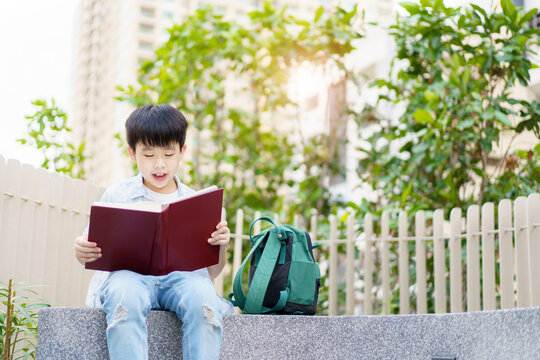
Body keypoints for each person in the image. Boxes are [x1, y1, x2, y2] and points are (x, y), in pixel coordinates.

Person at [73, 104, 233, 360]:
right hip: (130, 277)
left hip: (182, 279)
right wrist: (81, 249)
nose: (160, 165)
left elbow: (211, 273)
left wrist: (221, 246)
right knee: (124, 295)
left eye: (169, 154)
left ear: (182, 152)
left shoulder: (197, 202)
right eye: (148, 155)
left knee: (203, 299)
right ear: (132, 153)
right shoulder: (118, 195)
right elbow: (89, 253)